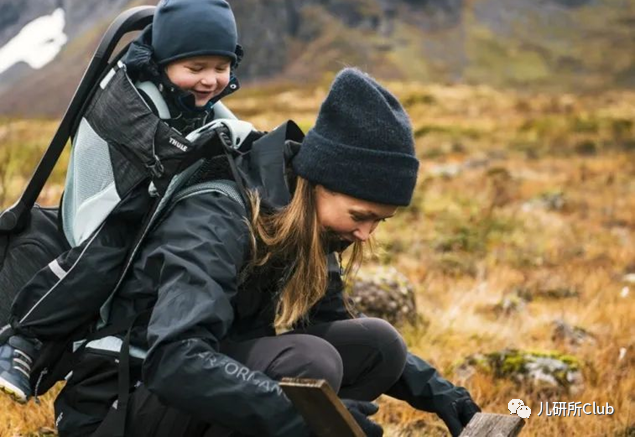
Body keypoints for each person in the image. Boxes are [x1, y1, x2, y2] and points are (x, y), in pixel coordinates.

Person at [51, 68, 480, 437]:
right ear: (320, 180)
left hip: (185, 390)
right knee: (310, 365)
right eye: (361, 215)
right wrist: (306, 420)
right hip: (119, 407)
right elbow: (174, 362)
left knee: (379, 346)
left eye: (379, 221)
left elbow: (326, 321)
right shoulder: (217, 216)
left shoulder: (307, 219)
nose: (366, 234)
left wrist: (440, 393)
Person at [0, 0, 246, 404]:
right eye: (197, 68)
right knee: (107, 254)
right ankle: (23, 341)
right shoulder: (133, 94)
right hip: (98, 216)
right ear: (166, 62)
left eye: (221, 68)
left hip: (143, 204)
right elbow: (168, 149)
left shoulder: (188, 94)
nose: (210, 81)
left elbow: (235, 129)